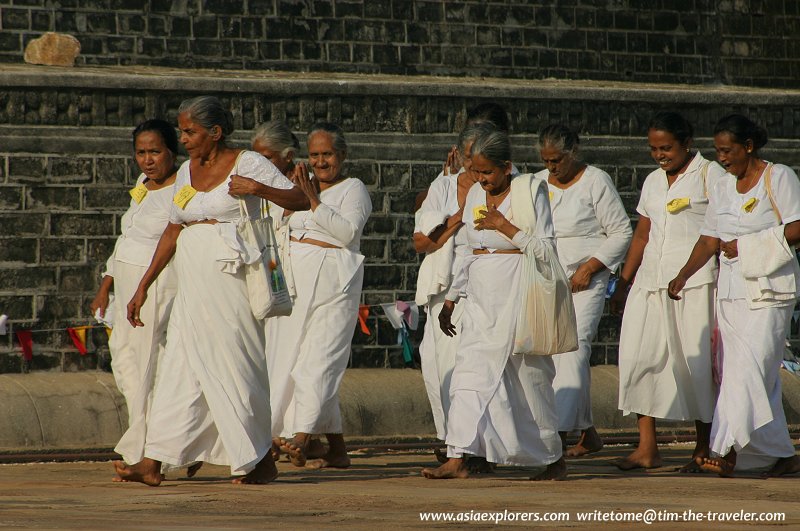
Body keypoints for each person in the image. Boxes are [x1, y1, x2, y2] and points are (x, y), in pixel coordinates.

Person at [113, 95, 309, 486]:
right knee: (179, 369)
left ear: (215, 132)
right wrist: (142, 287)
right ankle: (155, 460)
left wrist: (257, 187)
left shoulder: (247, 162)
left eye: (191, 131)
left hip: (230, 281)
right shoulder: (186, 172)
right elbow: (172, 229)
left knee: (236, 366)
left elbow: (301, 199)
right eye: (182, 131)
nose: (183, 139)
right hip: (192, 283)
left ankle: (259, 458)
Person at [422, 128, 565, 480]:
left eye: (488, 173)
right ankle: (460, 456)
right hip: (481, 297)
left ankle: (552, 457)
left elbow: (546, 250)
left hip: (520, 292)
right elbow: (471, 251)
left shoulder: (531, 191)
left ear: (507, 166)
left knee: (528, 380)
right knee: (468, 375)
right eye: (477, 172)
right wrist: (453, 298)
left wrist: (504, 225)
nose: (483, 180)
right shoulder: (473, 194)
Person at [668, 114, 800, 477]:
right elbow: (710, 237)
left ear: (748, 146)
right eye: (717, 151)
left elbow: (797, 226)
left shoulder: (779, 177)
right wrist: (683, 274)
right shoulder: (723, 187)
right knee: (746, 373)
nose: (722, 158)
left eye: (727, 151)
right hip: (731, 291)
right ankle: (779, 453)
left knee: (749, 369)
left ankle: (725, 449)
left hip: (770, 291)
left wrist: (748, 246)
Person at [610, 112, 723, 471]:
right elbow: (642, 233)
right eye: (654, 149)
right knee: (638, 359)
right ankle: (647, 447)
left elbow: (720, 230)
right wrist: (623, 283)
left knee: (695, 364)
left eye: (667, 148)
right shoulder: (654, 182)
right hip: (649, 282)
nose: (660, 155)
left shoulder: (710, 175)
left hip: (695, 283)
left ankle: (703, 447)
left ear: (686, 143)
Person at [268, 122, 372, 469]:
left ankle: (301, 436)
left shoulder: (353, 189)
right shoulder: (298, 187)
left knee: (320, 361)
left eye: (327, 154)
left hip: (334, 284)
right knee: (293, 360)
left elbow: (346, 232)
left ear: (341, 155)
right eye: (314, 155)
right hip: (296, 284)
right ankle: (336, 450)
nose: (321, 161)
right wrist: (293, 199)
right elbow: (280, 229)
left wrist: (313, 201)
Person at [534, 124, 632, 457]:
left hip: (586, 279)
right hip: (547, 279)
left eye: (557, 160)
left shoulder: (596, 181)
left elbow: (621, 232)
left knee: (574, 350)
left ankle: (557, 436)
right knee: (550, 353)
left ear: (573, 152)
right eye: (546, 161)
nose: (552, 167)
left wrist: (591, 267)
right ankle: (588, 432)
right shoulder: (535, 182)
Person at [90, 119, 179, 479]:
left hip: (153, 283)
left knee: (147, 366)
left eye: (155, 152)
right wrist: (105, 284)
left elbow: (169, 240)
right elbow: (127, 234)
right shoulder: (143, 184)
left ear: (171, 151)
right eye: (141, 152)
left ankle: (148, 452)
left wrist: (143, 285)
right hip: (125, 282)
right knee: (126, 363)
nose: (147, 160)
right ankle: (145, 447)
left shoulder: (182, 187)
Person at [413, 122, 496, 466]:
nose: (475, 167)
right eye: (469, 158)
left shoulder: (502, 185)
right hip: (443, 286)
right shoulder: (443, 186)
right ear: (460, 155)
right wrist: (458, 219)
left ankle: (475, 446)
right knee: (438, 365)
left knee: (474, 367)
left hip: (485, 282)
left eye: (482, 161)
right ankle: (452, 440)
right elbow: (422, 241)